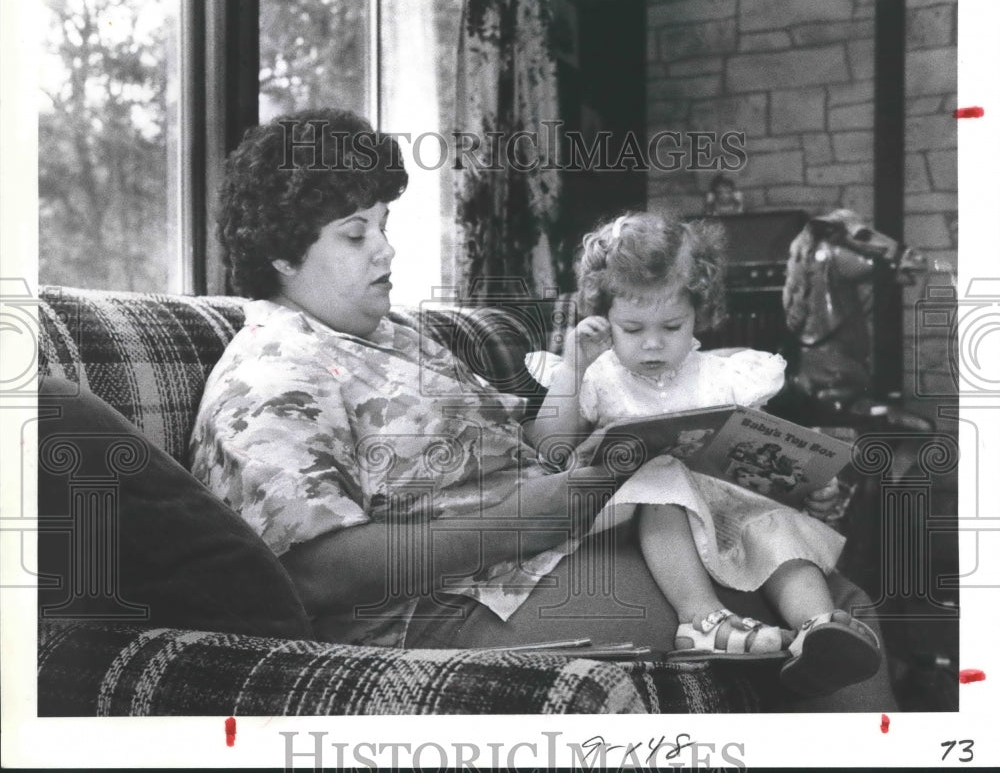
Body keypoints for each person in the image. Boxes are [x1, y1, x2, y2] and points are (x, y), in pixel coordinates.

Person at [189, 108, 895, 711]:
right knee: (773, 610)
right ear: (282, 256)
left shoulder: (399, 334)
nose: (385, 248)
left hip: (548, 542)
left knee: (836, 602)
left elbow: (507, 452)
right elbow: (313, 572)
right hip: (441, 605)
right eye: (355, 234)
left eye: (382, 224)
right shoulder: (273, 373)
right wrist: (536, 515)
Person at [523, 212, 881, 696]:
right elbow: (549, 444)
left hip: (720, 509)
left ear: (699, 312)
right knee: (664, 471)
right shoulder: (598, 375)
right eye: (632, 328)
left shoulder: (722, 376)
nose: (653, 343)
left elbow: (763, 453)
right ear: (603, 318)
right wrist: (573, 364)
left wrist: (813, 487)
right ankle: (699, 619)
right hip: (640, 511)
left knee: (778, 531)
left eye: (672, 326)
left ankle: (818, 634)